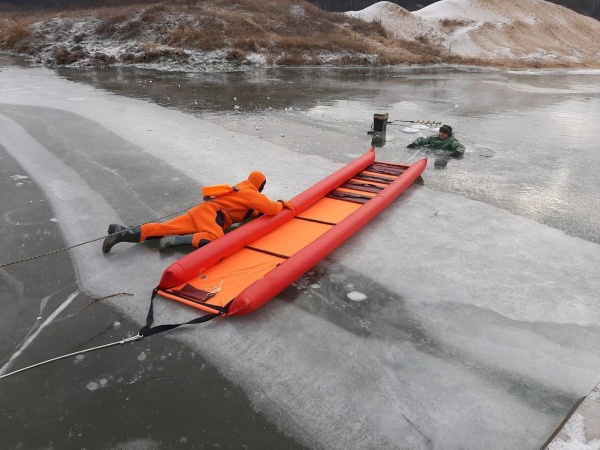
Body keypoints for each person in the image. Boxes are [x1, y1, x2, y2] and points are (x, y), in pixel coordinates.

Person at [102, 171, 295, 253]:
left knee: (165, 226)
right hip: (212, 215)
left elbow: (248, 211)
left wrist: (257, 214)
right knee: (216, 239)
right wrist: (280, 204)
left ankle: (122, 233)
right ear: (260, 185)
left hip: (203, 211)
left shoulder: (240, 190)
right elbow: (270, 208)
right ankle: (175, 241)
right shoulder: (251, 192)